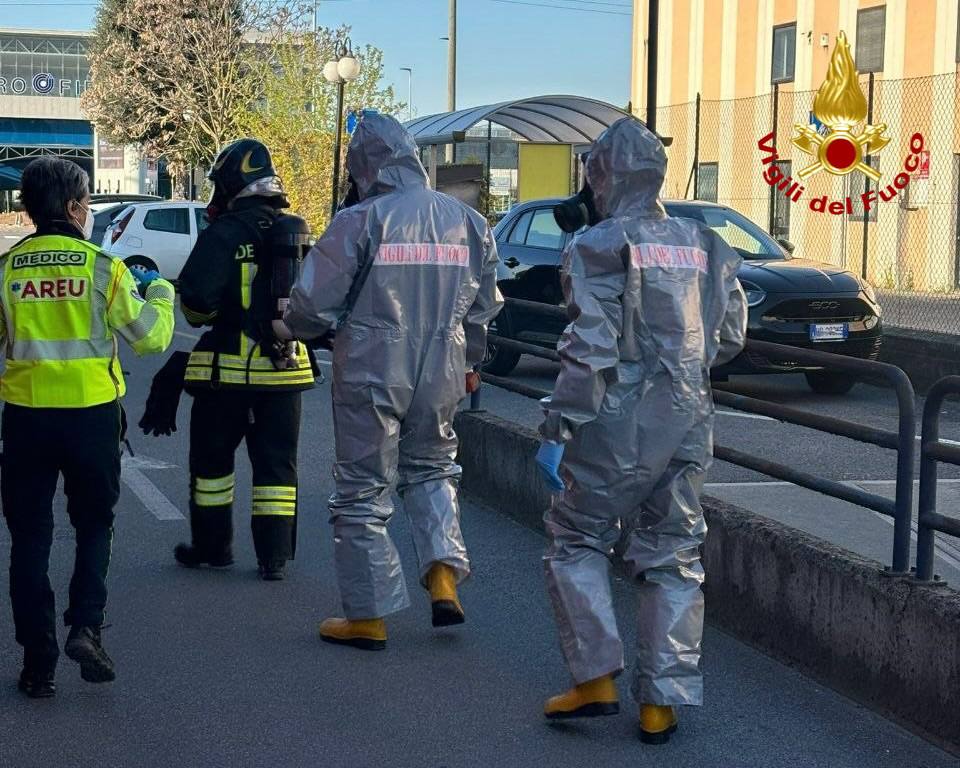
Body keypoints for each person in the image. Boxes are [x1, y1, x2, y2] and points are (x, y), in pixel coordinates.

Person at [534, 118, 747, 743]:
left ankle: (595, 677)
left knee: (577, 535)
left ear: (604, 176)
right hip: (688, 415)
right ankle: (661, 701)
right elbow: (731, 335)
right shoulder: (705, 243)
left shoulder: (597, 244)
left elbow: (590, 348)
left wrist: (558, 426)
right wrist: (681, 365)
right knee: (673, 551)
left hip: (615, 419)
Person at [282, 114, 502, 650]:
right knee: (433, 469)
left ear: (363, 166)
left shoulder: (360, 220)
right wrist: (470, 361)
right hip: (444, 366)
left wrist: (301, 326)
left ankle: (368, 615)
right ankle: (443, 576)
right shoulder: (468, 222)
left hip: (372, 365)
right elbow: (483, 307)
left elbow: (311, 306)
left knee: (362, 488)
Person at [0, 157, 175, 698]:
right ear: (76, 208)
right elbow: (150, 338)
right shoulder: (104, 267)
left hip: (26, 420)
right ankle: (86, 627)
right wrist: (161, 294)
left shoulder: (7, 270)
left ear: (30, 209)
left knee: (29, 537)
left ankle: (38, 665)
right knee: (94, 525)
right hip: (92, 419)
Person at [172, 139, 314, 582]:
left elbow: (196, 305)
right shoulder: (297, 233)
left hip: (227, 378)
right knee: (277, 468)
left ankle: (214, 548)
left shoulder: (224, 233)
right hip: (286, 372)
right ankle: (274, 557)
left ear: (232, 183)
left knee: (212, 467)